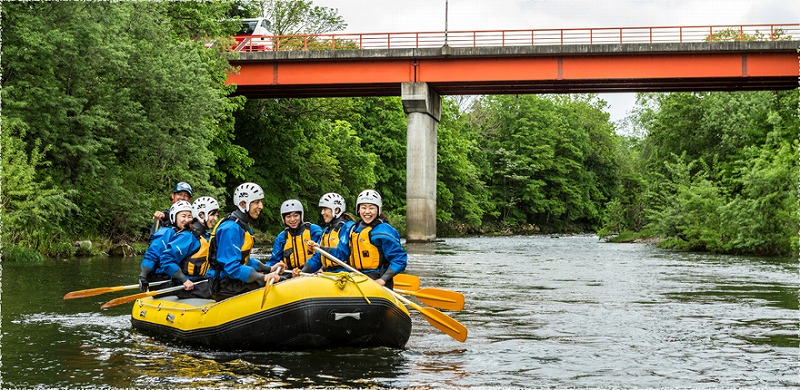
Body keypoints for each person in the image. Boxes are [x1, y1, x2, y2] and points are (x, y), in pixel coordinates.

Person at [307, 189, 407, 289]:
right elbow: (341, 253)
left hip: (378, 278)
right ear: (358, 209)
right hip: (358, 277)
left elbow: (399, 259)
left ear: (378, 210)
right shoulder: (353, 229)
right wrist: (320, 248)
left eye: (371, 208)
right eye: (363, 208)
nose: (367, 212)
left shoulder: (383, 231)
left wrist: (382, 280)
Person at [208, 182, 282, 301]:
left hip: (233, 281)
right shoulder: (230, 228)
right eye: (256, 202)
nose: (261, 206)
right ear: (243, 204)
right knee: (278, 285)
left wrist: (269, 269)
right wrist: (262, 277)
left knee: (283, 278)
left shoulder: (242, 225)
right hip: (225, 285)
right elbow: (231, 268)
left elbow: (244, 260)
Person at [156, 196, 219, 299]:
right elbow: (166, 260)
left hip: (201, 280)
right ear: (201, 215)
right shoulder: (187, 236)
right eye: (213, 215)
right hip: (185, 285)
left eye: (216, 215)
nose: (215, 219)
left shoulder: (207, 237)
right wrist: (184, 279)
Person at [139, 200, 193, 292]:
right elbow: (152, 253)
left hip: (176, 276)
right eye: (183, 216)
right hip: (160, 277)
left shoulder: (188, 235)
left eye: (189, 216)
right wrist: (143, 276)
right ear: (174, 217)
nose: (186, 220)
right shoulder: (166, 232)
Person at [295, 193, 355, 275]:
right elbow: (317, 258)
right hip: (329, 273)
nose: (322, 213)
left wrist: (321, 248)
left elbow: (342, 254)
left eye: (325, 209)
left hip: (346, 273)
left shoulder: (348, 227)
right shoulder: (326, 231)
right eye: (322, 209)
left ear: (336, 210)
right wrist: (302, 272)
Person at [267, 199, 323, 274]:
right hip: (292, 274)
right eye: (288, 216)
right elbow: (273, 261)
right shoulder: (281, 238)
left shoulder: (314, 230)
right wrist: (265, 270)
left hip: (314, 272)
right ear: (284, 219)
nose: (292, 219)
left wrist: (322, 268)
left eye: (295, 215)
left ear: (301, 216)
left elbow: (323, 252)